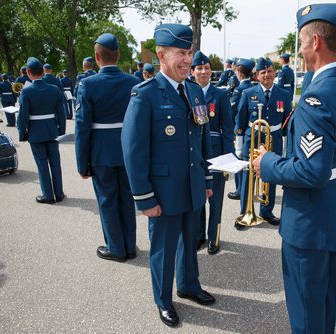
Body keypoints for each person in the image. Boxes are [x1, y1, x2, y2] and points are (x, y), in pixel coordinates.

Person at [252, 4, 336, 332]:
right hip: (335, 211)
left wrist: (267, 164)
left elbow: (311, 171)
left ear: (316, 42)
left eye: (301, 42)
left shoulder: (317, 98)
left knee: (305, 307)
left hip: (309, 220)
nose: (300, 50)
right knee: (327, 298)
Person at [121, 23, 215, 327]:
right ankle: (163, 300)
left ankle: (189, 285)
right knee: (164, 248)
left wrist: (207, 180)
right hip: (163, 191)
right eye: (180, 53)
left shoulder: (194, 91)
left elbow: (202, 140)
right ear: (161, 54)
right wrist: (144, 198)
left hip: (192, 185)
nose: (187, 59)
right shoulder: (145, 94)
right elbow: (134, 151)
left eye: (189, 52)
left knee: (190, 240)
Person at [75, 33, 139, 263]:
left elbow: (82, 128)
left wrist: (82, 163)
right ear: (119, 55)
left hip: (101, 152)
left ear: (96, 57)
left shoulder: (87, 84)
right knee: (126, 198)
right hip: (128, 150)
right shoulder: (133, 82)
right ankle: (130, 246)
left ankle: (117, 248)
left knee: (107, 200)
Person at [235, 57, 291, 229]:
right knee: (248, 177)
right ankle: (246, 213)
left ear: (275, 72)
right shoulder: (247, 93)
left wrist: (287, 149)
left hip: (272, 139)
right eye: (262, 73)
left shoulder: (284, 94)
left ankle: (267, 211)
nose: (266, 75)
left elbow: (287, 123)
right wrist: (238, 146)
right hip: (252, 139)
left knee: (271, 176)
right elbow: (240, 121)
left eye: (269, 71)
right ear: (257, 76)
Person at [191, 50, 234, 254]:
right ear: (192, 71)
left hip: (216, 155)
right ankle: (199, 235)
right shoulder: (189, 93)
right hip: (195, 154)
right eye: (199, 68)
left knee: (215, 200)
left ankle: (213, 237)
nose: (203, 71)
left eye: (207, 68)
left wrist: (228, 160)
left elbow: (228, 130)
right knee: (198, 198)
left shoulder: (220, 95)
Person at [17, 57, 66, 204]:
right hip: (52, 130)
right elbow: (61, 113)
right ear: (43, 72)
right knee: (55, 163)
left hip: (35, 132)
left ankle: (48, 195)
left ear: (29, 72)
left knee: (42, 164)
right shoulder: (54, 89)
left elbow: (23, 116)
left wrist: (22, 133)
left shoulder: (27, 91)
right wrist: (61, 131)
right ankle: (59, 193)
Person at [227, 58, 255, 201]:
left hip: (239, 130)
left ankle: (239, 190)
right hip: (251, 130)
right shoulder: (253, 88)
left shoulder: (239, 90)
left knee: (239, 160)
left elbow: (232, 111)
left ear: (239, 73)